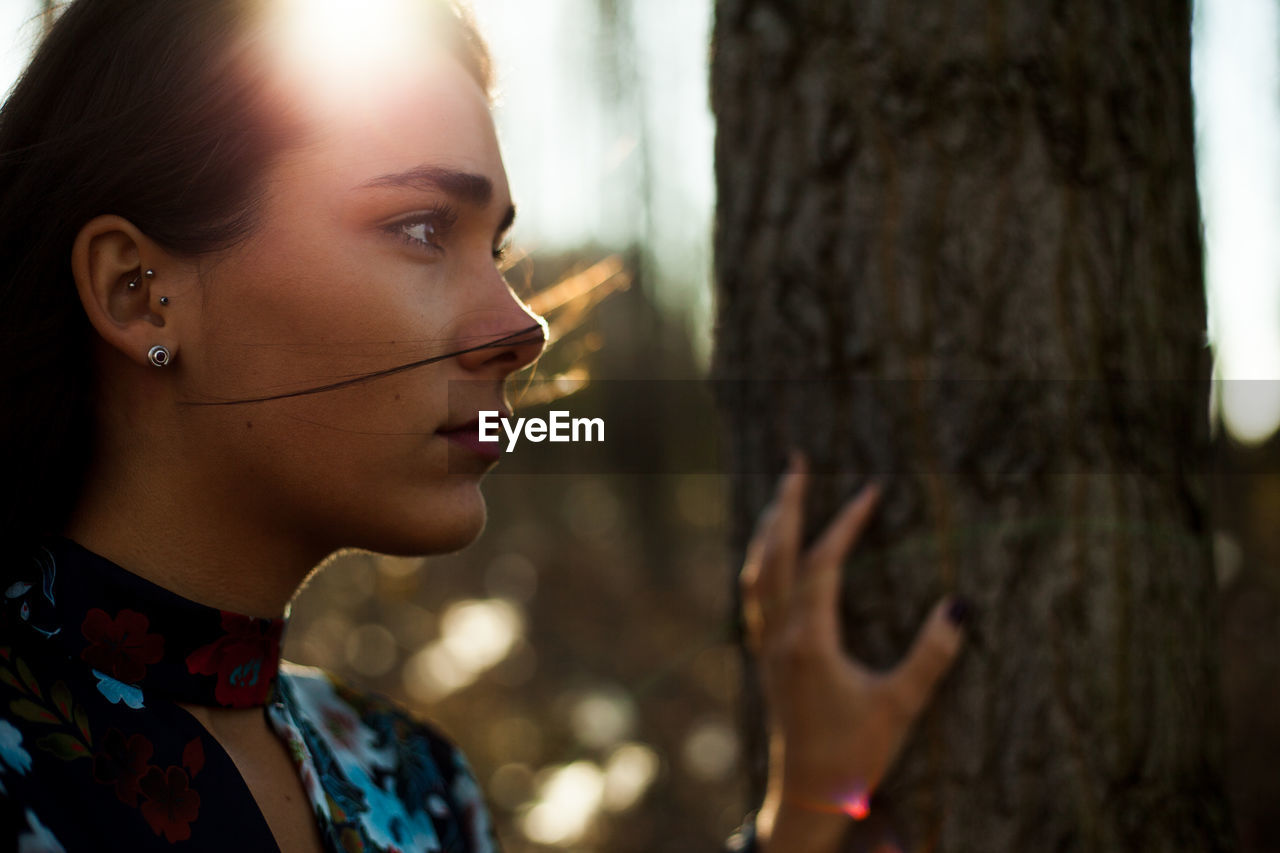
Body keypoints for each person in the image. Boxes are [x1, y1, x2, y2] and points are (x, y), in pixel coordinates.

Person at [0, 1, 968, 850]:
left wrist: (807, 805)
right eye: (421, 227)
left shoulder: (410, 781)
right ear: (139, 294)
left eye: (495, 246)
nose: (524, 326)